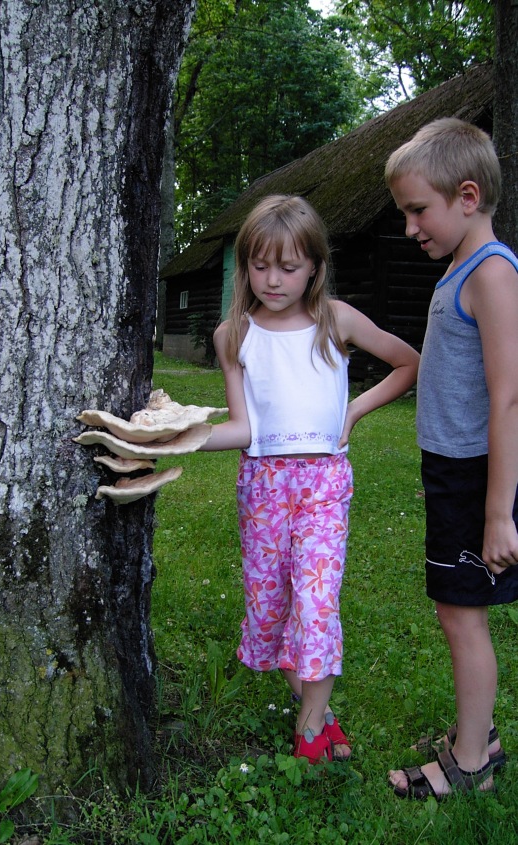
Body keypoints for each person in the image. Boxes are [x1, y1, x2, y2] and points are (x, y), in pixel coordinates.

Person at [199, 194, 419, 763]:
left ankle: (310, 729)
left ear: (315, 267)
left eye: (289, 267)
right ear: (246, 266)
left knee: (316, 605)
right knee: (271, 610)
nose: (273, 280)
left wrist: (353, 411)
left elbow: (408, 363)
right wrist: (182, 437)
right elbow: (243, 427)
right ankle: (320, 712)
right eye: (260, 266)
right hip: (263, 489)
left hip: (323, 486)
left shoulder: (334, 320)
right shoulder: (234, 335)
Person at [385, 117, 518, 799]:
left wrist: (497, 512)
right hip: (451, 472)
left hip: (473, 477)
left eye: (417, 211)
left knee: (462, 616)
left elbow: (509, 397)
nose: (410, 228)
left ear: (467, 196)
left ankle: (471, 765)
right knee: (453, 609)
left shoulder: (491, 273)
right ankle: (479, 733)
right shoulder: (462, 268)